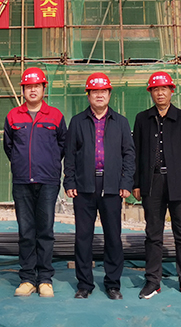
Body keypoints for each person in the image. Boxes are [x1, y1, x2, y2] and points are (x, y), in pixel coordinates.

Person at [64, 73, 135, 300]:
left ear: (109, 94)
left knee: (113, 237)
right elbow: (70, 154)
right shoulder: (77, 121)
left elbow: (129, 154)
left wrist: (126, 182)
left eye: (103, 91)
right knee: (83, 237)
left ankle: (113, 284)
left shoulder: (121, 122)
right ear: (88, 95)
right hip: (84, 186)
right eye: (95, 91)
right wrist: (69, 181)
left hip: (112, 186)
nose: (99, 95)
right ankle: (84, 284)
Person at [132, 71, 181, 299]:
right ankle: (153, 281)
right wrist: (136, 183)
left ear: (172, 91)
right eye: (155, 89)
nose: (160, 93)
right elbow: (136, 153)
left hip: (179, 183)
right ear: (150, 93)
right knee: (153, 234)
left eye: (164, 89)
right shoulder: (142, 119)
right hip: (152, 182)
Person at [4, 67, 67, 298]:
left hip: (48, 181)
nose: (32, 90)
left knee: (46, 230)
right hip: (22, 181)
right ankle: (28, 278)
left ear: (43, 89)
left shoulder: (55, 116)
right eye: (28, 87)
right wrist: (22, 164)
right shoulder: (13, 116)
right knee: (26, 231)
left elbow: (62, 145)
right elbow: (9, 147)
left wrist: (48, 164)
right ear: (23, 90)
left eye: (37, 86)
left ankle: (45, 279)